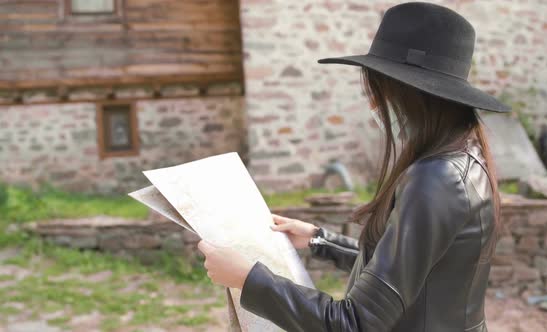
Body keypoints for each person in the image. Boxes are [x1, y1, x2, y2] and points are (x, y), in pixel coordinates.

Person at [197, 2, 511, 331]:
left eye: (378, 92)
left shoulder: (436, 177)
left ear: (412, 95)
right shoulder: (465, 156)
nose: (374, 105)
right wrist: (319, 240)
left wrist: (249, 280)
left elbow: (356, 322)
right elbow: (398, 270)